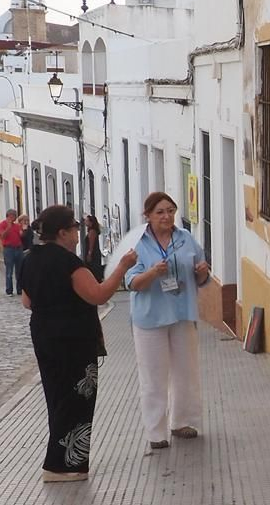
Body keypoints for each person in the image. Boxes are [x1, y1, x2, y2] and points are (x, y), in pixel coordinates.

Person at [18, 204, 136, 481]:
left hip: (44, 336)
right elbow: (98, 295)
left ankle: (60, 463)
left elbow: (27, 302)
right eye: (74, 228)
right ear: (62, 232)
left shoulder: (29, 258)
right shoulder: (70, 263)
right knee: (77, 400)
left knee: (57, 397)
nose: (77, 233)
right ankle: (62, 466)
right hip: (73, 340)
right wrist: (122, 267)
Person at [124, 191, 210, 449]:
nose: (167, 216)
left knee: (187, 371)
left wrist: (202, 273)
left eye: (171, 211)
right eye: (160, 212)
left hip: (182, 313)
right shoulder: (138, 243)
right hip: (150, 318)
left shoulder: (185, 239)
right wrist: (152, 272)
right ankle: (156, 432)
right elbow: (132, 283)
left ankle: (183, 421)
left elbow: (201, 276)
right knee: (153, 375)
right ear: (148, 215)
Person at [0, 208, 24, 296]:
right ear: (8, 216)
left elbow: (21, 236)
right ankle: (9, 290)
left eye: (15, 216)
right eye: (13, 216)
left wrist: (23, 231)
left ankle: (19, 290)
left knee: (19, 270)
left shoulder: (17, 226)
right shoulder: (1, 225)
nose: (14, 217)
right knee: (9, 271)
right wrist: (8, 227)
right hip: (9, 249)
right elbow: (3, 236)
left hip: (18, 248)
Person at [83, 214, 105, 281]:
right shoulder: (92, 231)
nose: (85, 222)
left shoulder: (92, 231)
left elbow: (91, 243)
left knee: (93, 270)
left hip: (93, 254)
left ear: (91, 222)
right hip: (95, 253)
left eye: (86, 221)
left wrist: (89, 254)